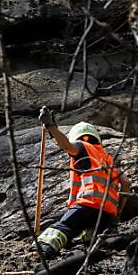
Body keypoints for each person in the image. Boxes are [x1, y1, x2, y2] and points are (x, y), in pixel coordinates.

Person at [34, 107, 131, 259]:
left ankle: (44, 249)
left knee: (62, 227)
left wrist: (49, 126)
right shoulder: (108, 158)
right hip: (106, 214)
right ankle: (90, 237)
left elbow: (67, 146)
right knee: (84, 233)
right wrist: (117, 213)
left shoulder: (82, 146)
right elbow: (126, 183)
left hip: (87, 204)